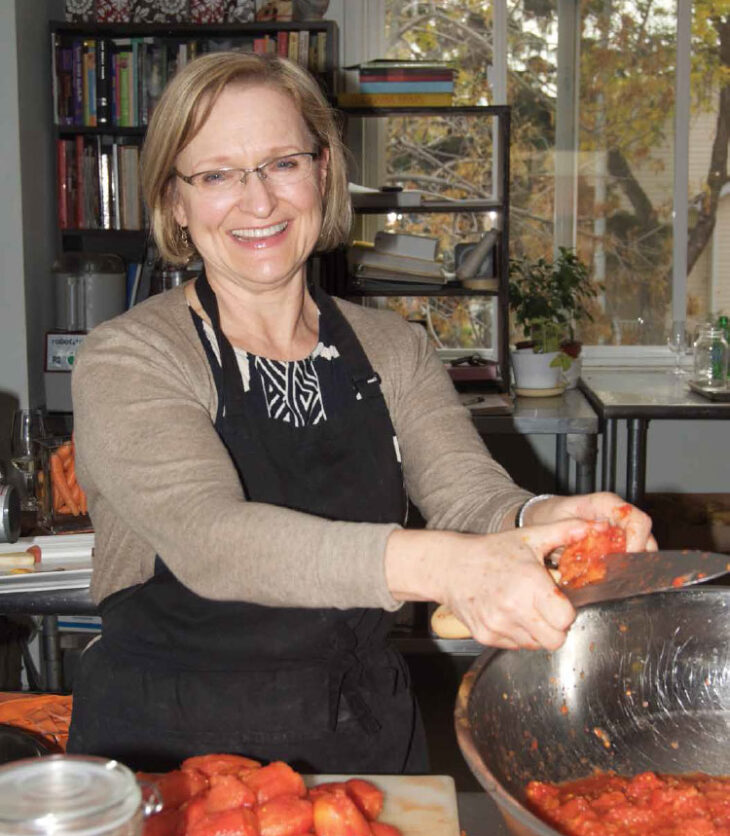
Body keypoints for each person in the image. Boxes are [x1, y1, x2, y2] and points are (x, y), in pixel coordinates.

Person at [67, 52, 655, 773]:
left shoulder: (393, 346)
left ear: (322, 173)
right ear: (176, 203)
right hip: (172, 754)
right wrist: (446, 567)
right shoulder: (128, 357)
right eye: (217, 174)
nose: (258, 202)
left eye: (282, 162)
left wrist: (548, 522)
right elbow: (210, 539)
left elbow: (469, 497)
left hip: (363, 738)